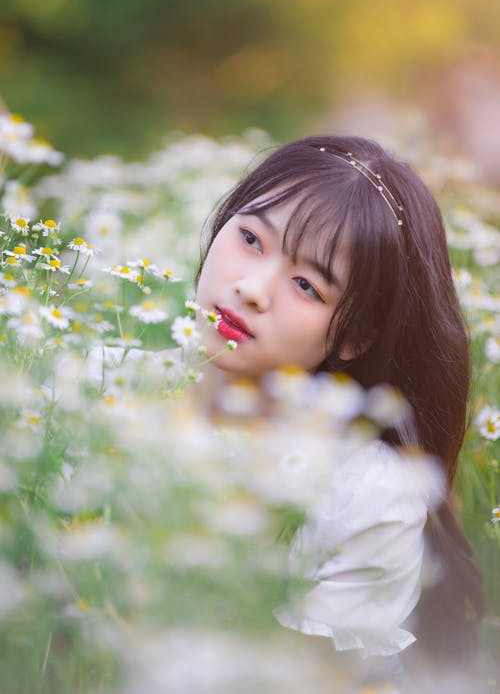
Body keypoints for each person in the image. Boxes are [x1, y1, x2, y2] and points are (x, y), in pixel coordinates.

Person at [193, 135, 484, 676]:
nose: (252, 288)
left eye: (307, 284)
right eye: (252, 238)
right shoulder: (100, 379)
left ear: (355, 337)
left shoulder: (366, 495)